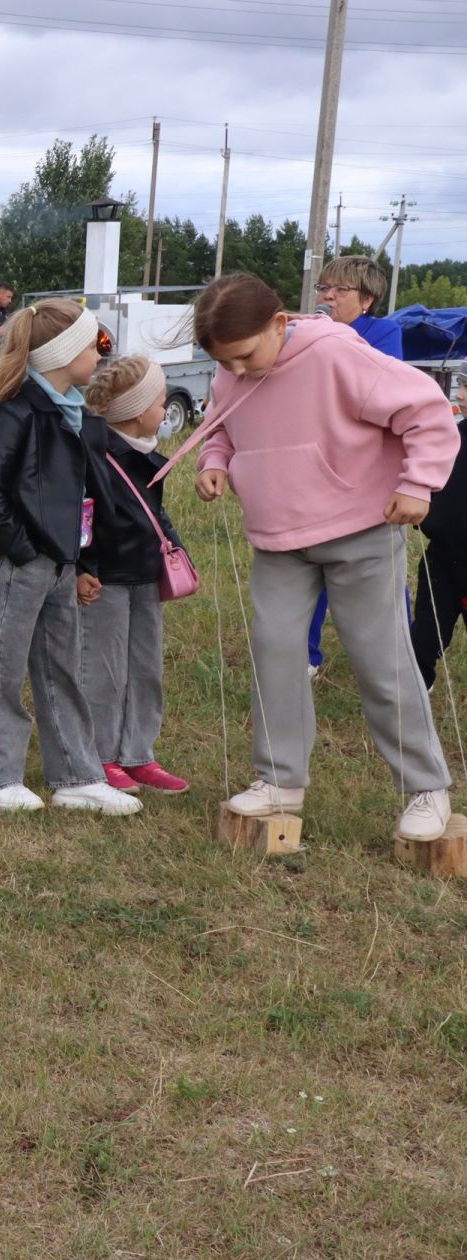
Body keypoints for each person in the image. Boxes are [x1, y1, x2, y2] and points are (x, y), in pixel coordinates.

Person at [192, 273, 457, 842]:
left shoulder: (336, 352)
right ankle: (280, 780)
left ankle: (425, 787)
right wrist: (214, 460)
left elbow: (427, 410)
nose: (236, 371)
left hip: (360, 529)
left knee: (382, 660)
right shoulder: (229, 368)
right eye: (224, 362)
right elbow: (221, 425)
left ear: (279, 324)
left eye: (243, 356)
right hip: (277, 540)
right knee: (276, 654)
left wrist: (419, 483)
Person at [0, 299, 142, 816]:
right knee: (2, 665)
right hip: (24, 562)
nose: (102, 356)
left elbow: (87, 493)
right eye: (95, 345)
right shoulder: (21, 411)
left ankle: (76, 775)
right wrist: (22, 547)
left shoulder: (76, 415)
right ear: (64, 354)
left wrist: (81, 559)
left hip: (64, 561)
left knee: (62, 667)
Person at [81, 357, 188, 795]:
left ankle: (138, 753)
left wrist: (174, 545)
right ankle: (101, 755)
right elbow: (82, 514)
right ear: (136, 409)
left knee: (145, 666)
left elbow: (154, 512)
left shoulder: (146, 455)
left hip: (145, 572)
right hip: (106, 576)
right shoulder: (95, 452)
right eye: (161, 403)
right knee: (103, 669)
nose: (165, 412)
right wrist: (82, 567)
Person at [306, 254, 404, 675]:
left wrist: (327, 337)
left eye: (339, 290)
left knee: (380, 571)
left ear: (366, 299)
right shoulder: (309, 330)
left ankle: (400, 655)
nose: (328, 297)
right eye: (323, 288)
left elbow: (376, 387)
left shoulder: (383, 332)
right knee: (311, 566)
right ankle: (306, 656)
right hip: (316, 465)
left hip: (366, 471)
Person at [411, 386, 467, 689]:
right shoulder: (450, 438)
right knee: (426, 633)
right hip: (442, 559)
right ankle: (417, 684)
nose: (459, 395)